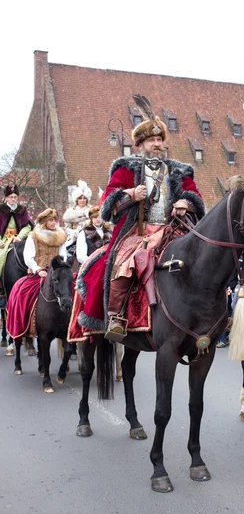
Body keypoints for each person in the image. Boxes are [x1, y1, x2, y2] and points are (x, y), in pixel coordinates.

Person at [69, 106, 205, 342]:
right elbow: (107, 204)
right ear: (140, 145)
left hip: (173, 230)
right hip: (137, 232)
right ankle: (114, 318)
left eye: (159, 139)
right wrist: (131, 194)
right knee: (121, 263)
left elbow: (196, 198)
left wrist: (184, 202)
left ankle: (206, 315)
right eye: (151, 140)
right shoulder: (125, 168)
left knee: (203, 258)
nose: (156, 143)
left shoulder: (179, 170)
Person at [6, 209, 67, 341]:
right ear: (44, 222)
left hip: (55, 272)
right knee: (21, 293)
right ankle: (23, 327)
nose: (53, 222)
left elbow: (63, 256)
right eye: (51, 220)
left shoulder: (61, 236)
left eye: (55, 220)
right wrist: (38, 269)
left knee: (73, 290)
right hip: (38, 273)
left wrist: (59, 270)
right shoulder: (33, 236)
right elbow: (28, 257)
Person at [0, 184, 33, 302]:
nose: (13, 199)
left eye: (15, 197)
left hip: (19, 239)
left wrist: (20, 236)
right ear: (6, 198)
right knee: (1, 257)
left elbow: (28, 226)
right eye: (11, 197)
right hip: (3, 240)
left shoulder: (22, 210)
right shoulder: (1, 209)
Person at [62, 180, 92, 259]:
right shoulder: (70, 212)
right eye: (80, 198)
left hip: (89, 237)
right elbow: (67, 228)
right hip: (73, 238)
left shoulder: (91, 210)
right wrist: (73, 233)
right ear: (76, 200)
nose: (82, 200)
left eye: (84, 198)